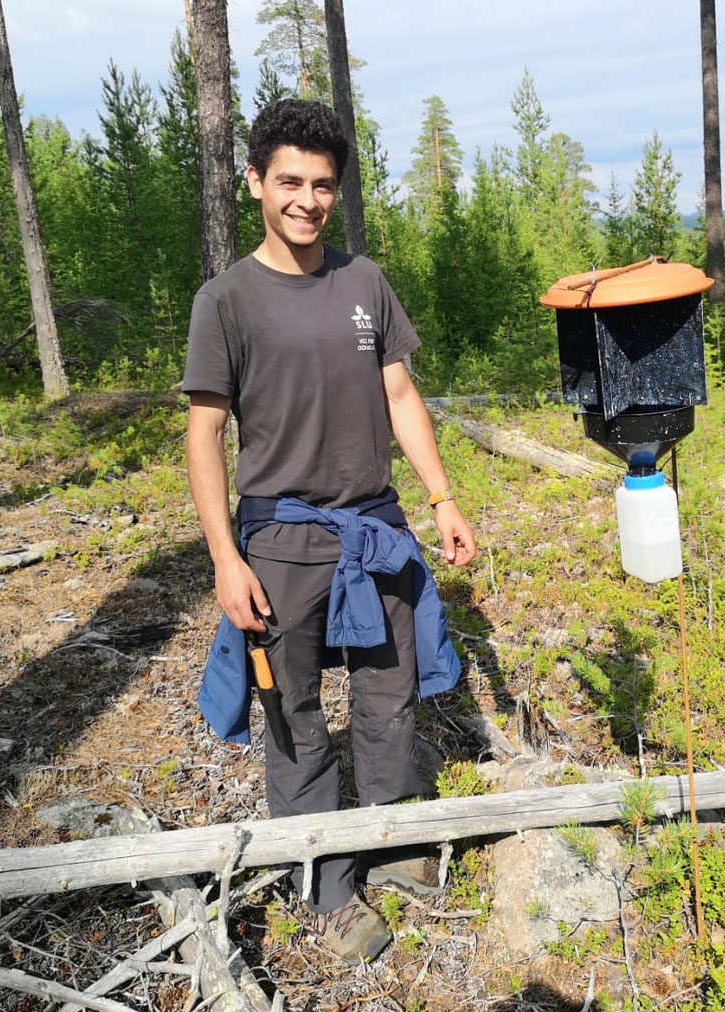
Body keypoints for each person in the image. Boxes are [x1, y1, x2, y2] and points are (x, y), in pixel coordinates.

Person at [182, 98, 475, 966]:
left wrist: (442, 498)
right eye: (289, 182)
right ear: (255, 184)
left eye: (321, 185)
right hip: (279, 541)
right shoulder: (226, 300)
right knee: (293, 715)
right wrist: (225, 560)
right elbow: (204, 434)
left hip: (376, 532)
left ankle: (389, 842)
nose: (307, 200)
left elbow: (399, 394)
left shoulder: (363, 283)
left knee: (391, 696)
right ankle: (325, 882)